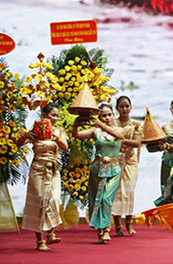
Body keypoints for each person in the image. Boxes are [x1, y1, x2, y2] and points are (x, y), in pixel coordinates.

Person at [18, 103, 68, 251]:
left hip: (53, 170)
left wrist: (56, 137)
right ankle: (40, 241)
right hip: (38, 169)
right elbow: (19, 144)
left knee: (54, 199)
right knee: (39, 200)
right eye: (53, 115)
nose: (55, 118)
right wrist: (26, 136)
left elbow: (65, 147)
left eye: (57, 116)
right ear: (44, 116)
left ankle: (51, 233)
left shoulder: (59, 131)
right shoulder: (35, 130)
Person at [73, 103, 125, 244]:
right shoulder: (95, 131)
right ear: (99, 117)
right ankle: (100, 232)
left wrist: (101, 125)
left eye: (109, 114)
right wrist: (75, 124)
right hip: (97, 168)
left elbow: (118, 136)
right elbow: (76, 135)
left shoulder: (119, 129)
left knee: (106, 199)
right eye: (104, 115)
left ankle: (106, 229)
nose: (107, 117)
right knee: (97, 199)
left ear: (113, 115)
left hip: (114, 169)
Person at [111, 95, 143, 236]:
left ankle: (129, 224)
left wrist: (120, 139)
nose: (124, 109)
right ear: (117, 108)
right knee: (115, 192)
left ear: (130, 108)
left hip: (130, 160)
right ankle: (118, 226)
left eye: (127, 106)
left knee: (129, 192)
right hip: (114, 160)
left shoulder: (135, 125)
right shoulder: (112, 123)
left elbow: (137, 143)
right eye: (121, 106)